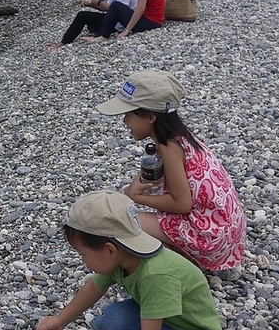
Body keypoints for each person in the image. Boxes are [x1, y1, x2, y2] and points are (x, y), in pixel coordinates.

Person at [34, 190, 234, 330]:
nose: (83, 261)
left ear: (110, 249)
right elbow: (94, 287)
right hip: (157, 320)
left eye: (83, 255)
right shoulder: (122, 257)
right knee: (111, 321)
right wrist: (60, 320)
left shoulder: (156, 274)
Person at [96, 69, 246, 270]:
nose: (124, 122)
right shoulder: (181, 137)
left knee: (119, 224)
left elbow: (182, 204)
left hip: (210, 237)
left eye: (127, 114)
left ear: (149, 117)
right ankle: (177, 252)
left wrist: (137, 198)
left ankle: (183, 260)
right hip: (226, 231)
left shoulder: (170, 148)